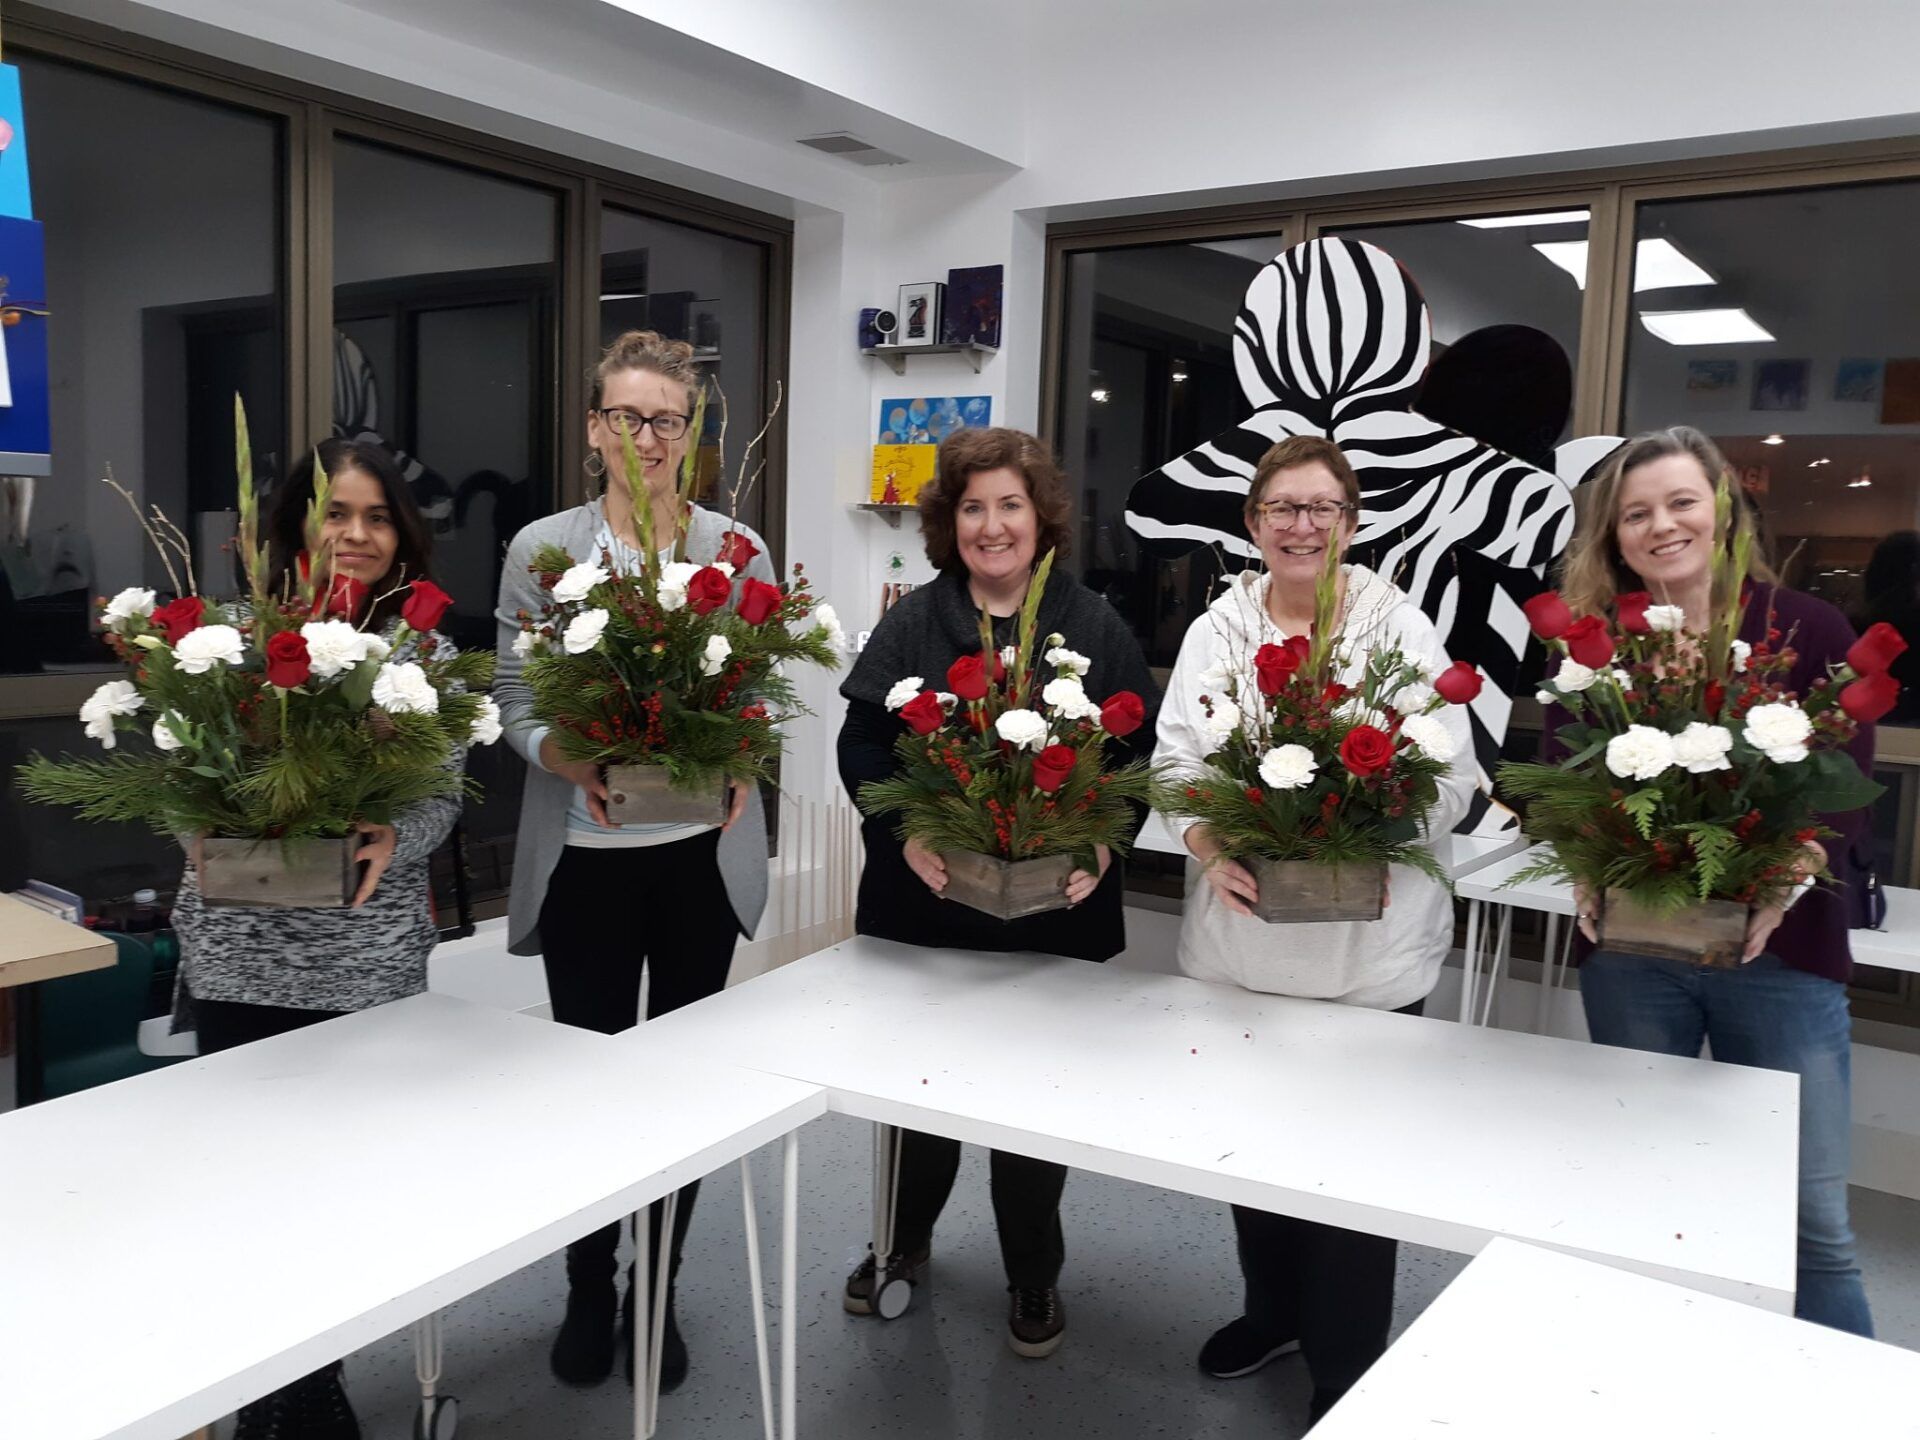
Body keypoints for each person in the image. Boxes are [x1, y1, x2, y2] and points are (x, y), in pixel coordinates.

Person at [1151, 435, 1473, 1424]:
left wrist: (1361, 828)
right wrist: (1211, 844)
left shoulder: (1399, 629)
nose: (1300, 526)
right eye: (1281, 509)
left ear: (1352, 523)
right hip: (1244, 949)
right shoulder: (1221, 628)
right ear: (1252, 525)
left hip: (1365, 959)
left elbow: (1453, 781)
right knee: (1250, 1153)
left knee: (1351, 1171)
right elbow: (1171, 767)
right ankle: (1272, 1313)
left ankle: (1344, 1366)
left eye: (1320, 509)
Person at [493, 330, 776, 1394]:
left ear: (690, 433)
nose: (646, 438)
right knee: (595, 1088)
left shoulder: (732, 544)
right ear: (594, 429)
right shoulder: (544, 550)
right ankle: (587, 1284)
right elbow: (515, 696)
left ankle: (657, 1288)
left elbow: (760, 687)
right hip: (587, 861)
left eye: (667, 419)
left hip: (698, 856)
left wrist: (746, 751)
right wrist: (556, 753)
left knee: (684, 1090)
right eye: (627, 416)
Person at [837, 425, 1159, 1358]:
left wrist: (1104, 845)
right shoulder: (915, 620)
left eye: (1010, 505)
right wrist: (908, 836)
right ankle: (898, 1247)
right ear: (950, 520)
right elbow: (862, 746)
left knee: (1032, 1110)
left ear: (1040, 515)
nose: (992, 525)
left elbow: (1135, 764)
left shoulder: (1092, 623)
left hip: (1054, 917)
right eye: (973, 506)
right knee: (915, 1099)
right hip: (925, 912)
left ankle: (1033, 1273)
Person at [1556, 425, 1875, 1337]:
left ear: (1724, 509)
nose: (1662, 527)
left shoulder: (1805, 629)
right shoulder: (1601, 647)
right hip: (1635, 956)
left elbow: (1846, 792)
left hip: (1784, 959)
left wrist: (1788, 876)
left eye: (1681, 502)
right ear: (1613, 538)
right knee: (1651, 1196)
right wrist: (1587, 865)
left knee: (1810, 1223)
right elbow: (1566, 778)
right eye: (1635, 514)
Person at [172, 437, 458, 1440]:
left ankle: (311, 1379)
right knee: (247, 1192)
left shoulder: (422, 658)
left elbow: (440, 799)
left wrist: (395, 829)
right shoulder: (232, 637)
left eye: (378, 517)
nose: (357, 535)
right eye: (337, 512)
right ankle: (273, 1396)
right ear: (296, 520)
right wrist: (202, 823)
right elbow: (183, 780)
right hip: (238, 959)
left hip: (362, 967)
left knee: (338, 1198)